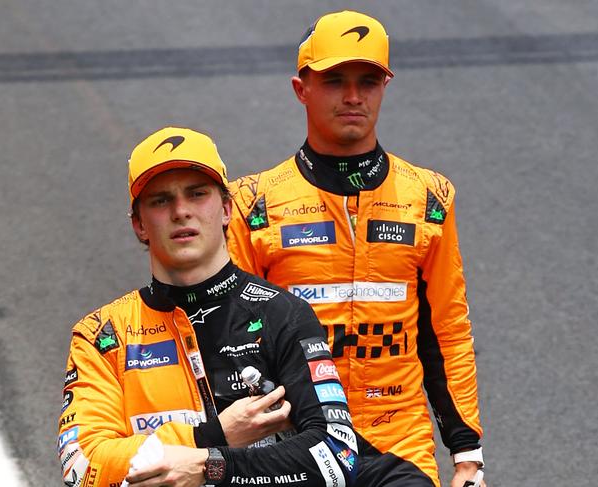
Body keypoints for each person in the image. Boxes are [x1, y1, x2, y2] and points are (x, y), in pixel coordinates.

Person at [227, 10, 485, 487]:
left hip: (400, 443)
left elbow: (445, 330)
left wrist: (468, 457)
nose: (352, 96)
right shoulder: (252, 203)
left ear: (385, 86)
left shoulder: (429, 198)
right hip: (297, 444)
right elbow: (233, 344)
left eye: (368, 81)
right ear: (300, 89)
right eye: (333, 81)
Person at [58, 127, 359, 487]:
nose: (181, 211)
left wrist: (209, 468)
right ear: (139, 224)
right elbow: (82, 466)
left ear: (227, 209)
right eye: (160, 201)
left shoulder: (282, 313)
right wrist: (212, 435)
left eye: (197, 194)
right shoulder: (102, 334)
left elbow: (337, 455)